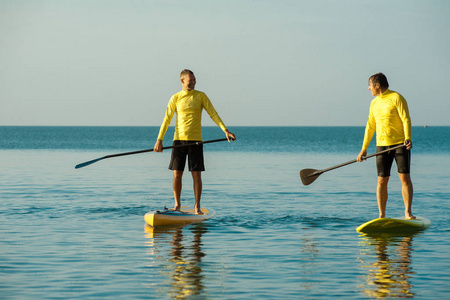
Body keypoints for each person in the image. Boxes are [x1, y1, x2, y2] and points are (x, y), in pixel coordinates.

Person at [154, 69, 236, 215]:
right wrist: (159, 140)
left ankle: (197, 207)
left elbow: (213, 114)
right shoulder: (175, 98)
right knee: (176, 174)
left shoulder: (200, 96)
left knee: (196, 175)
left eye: (194, 79)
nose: (193, 82)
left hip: (196, 141)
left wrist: (225, 130)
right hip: (178, 141)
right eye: (190, 80)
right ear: (182, 81)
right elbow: (166, 119)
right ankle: (177, 205)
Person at [356, 73, 414, 220]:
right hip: (382, 146)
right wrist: (364, 148)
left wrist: (407, 138)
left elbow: (405, 118)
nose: (368, 88)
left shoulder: (397, 98)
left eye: (370, 85)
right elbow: (370, 126)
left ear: (377, 85)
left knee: (404, 178)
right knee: (381, 180)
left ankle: (407, 213)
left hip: (400, 144)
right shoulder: (374, 103)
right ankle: (382, 215)